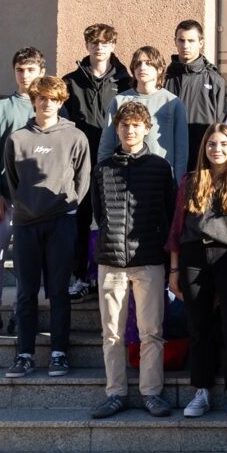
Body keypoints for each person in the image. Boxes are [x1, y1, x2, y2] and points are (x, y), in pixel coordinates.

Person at [89, 101, 178, 420]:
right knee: (111, 331)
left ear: (147, 129)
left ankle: (151, 393)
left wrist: (169, 260)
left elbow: (169, 213)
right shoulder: (103, 168)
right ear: (117, 128)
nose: (130, 130)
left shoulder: (159, 167)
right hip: (111, 259)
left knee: (151, 330)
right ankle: (115, 393)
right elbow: (98, 212)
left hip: (149, 258)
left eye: (136, 125)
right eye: (124, 125)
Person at [2, 76, 91, 380]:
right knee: (26, 291)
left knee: (58, 291)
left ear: (61, 101)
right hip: (26, 223)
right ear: (33, 100)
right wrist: (26, 205)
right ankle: (24, 354)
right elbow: (12, 181)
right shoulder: (17, 139)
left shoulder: (75, 136)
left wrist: (68, 204)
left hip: (61, 221)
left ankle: (59, 353)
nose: (46, 103)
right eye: (41, 98)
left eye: (52, 98)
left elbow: (83, 179)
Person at [168, 123, 227, 422]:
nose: (217, 149)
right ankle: (200, 389)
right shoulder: (190, 181)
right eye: (212, 144)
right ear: (204, 148)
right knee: (199, 327)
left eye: (223, 145)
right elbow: (177, 228)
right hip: (193, 256)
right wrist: (174, 268)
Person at [0, 47, 46, 341]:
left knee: (29, 258)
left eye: (30, 69)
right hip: (2, 197)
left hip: (35, 198)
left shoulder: (49, 107)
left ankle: (22, 310)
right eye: (20, 69)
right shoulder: (2, 108)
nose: (25, 75)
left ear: (41, 71)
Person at [62, 23, 131, 300]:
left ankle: (109, 276)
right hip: (80, 162)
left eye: (104, 42)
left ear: (113, 45)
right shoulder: (70, 81)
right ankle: (79, 277)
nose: (99, 46)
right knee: (80, 219)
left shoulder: (125, 81)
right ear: (86, 45)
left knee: (111, 220)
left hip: (116, 161)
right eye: (93, 41)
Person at [99, 46, 189, 179]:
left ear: (159, 69)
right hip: (123, 175)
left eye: (148, 63)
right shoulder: (119, 101)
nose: (142, 67)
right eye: (138, 63)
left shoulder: (172, 103)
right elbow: (107, 143)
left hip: (160, 177)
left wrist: (178, 182)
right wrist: (103, 176)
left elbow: (181, 150)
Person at [165, 20, 227, 171]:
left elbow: (224, 124)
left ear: (201, 43)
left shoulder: (214, 80)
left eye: (191, 41)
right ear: (175, 41)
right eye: (181, 40)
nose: (185, 46)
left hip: (203, 161)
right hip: (168, 158)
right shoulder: (164, 78)